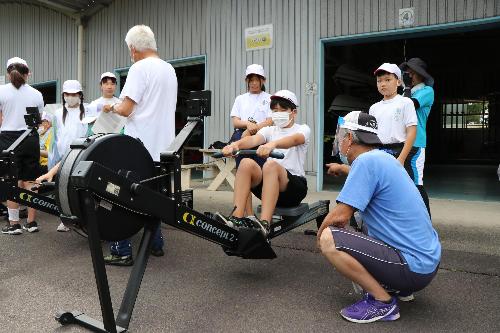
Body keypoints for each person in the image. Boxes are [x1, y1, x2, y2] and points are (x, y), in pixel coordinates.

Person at [318, 111, 441, 323]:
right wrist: (342, 168)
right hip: (426, 264)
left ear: (350, 138)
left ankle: (382, 302)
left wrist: (320, 237)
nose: (340, 141)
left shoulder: (366, 162)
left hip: (411, 268)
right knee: (367, 225)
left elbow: (340, 216)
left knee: (330, 238)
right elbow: (366, 175)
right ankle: (399, 288)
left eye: (342, 135)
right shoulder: (385, 159)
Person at [100, 24, 177, 266]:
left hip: (138, 146)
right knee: (153, 196)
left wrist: (110, 106)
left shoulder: (139, 68)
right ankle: (156, 243)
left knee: (120, 194)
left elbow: (125, 108)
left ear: (133, 48)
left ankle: (121, 250)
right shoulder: (169, 69)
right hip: (163, 147)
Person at [221, 90, 310, 233]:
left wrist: (272, 144)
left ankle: (265, 224)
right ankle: (236, 218)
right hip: (269, 187)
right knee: (245, 163)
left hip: (293, 189)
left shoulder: (303, 129)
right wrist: (234, 145)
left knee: (270, 165)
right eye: (275, 110)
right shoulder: (269, 130)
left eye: (283, 109)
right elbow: (251, 140)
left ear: (294, 112)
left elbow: (294, 140)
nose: (278, 113)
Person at [0, 57, 44, 235]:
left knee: (12, 181)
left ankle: (14, 223)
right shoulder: (36, 93)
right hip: (30, 138)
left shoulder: (1, 91)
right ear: (28, 74)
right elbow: (39, 120)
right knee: (31, 180)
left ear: (8, 73)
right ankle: (31, 223)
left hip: (8, 139)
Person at [51, 79, 96, 232]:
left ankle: (85, 219)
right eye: (67, 94)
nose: (71, 97)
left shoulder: (89, 109)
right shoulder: (57, 113)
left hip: (82, 154)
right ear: (63, 95)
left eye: (74, 94)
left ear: (80, 95)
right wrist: (53, 161)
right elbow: (55, 138)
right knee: (63, 188)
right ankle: (65, 219)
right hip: (64, 157)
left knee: (81, 188)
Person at [229, 64, 273, 219]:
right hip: (242, 136)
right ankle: (248, 214)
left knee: (263, 174)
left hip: (261, 137)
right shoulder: (240, 99)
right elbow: (235, 121)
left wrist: (254, 128)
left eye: (257, 80)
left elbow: (270, 120)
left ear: (263, 80)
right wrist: (247, 125)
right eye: (251, 80)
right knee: (243, 173)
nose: (254, 83)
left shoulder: (269, 98)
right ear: (247, 81)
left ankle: (267, 213)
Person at [400, 58, 434, 215]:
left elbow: (408, 106)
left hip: (416, 143)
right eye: (407, 73)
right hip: (401, 141)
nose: (408, 76)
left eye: (411, 73)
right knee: (402, 183)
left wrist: (406, 87)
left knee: (415, 183)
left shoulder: (427, 91)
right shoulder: (406, 92)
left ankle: (426, 221)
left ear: (420, 75)